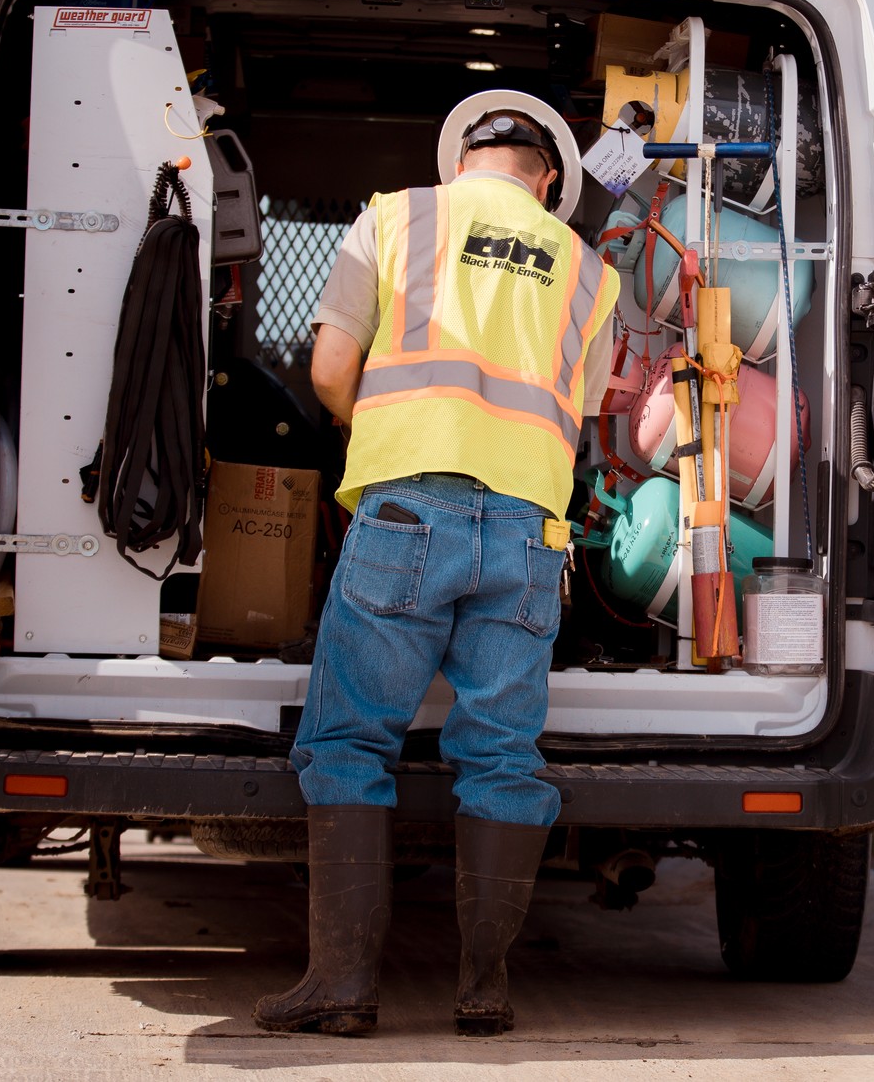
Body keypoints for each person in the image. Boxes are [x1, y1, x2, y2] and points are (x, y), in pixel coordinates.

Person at [256, 93, 618, 1038]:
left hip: (408, 507)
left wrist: (372, 435)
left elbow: (333, 364)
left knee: (348, 742)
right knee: (501, 753)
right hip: (532, 532)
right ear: (548, 180)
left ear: (463, 159)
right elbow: (580, 416)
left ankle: (342, 986)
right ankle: (484, 987)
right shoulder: (590, 272)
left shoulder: (397, 216)